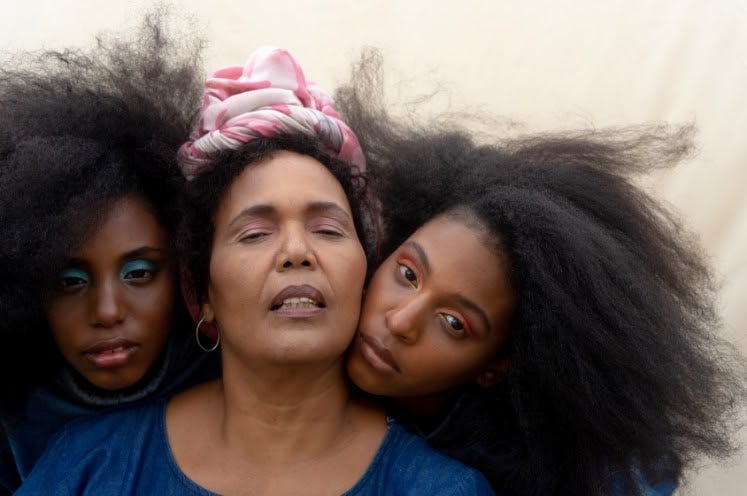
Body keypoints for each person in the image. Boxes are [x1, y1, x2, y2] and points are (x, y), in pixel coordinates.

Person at [14, 46, 494, 495]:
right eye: (255, 233)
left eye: (327, 229)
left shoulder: (443, 488)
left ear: (364, 275)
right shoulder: (88, 466)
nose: (296, 251)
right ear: (201, 293)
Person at [338, 52, 747, 496]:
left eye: (455, 323)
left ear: (494, 367)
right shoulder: (317, 342)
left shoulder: (569, 469)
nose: (399, 321)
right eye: (407, 273)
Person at [0, 12, 219, 493]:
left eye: (139, 272)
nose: (106, 311)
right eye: (70, 281)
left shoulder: (232, 375)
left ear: (186, 268)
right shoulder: (15, 416)